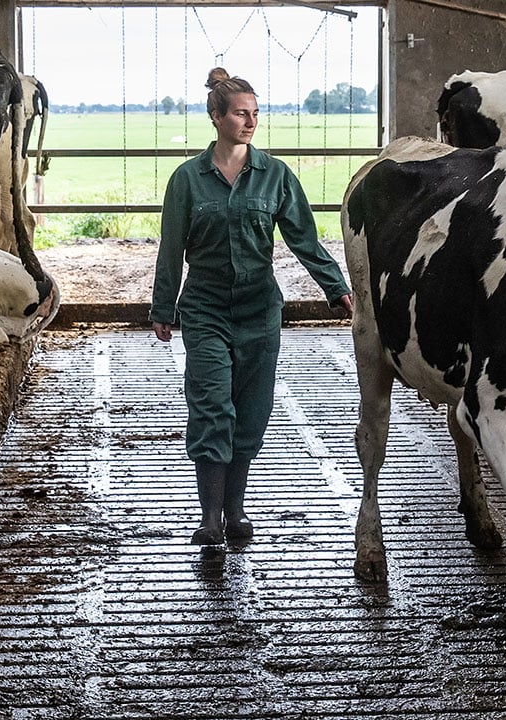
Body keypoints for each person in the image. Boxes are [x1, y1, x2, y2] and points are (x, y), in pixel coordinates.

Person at [150, 67, 354, 545]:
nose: (250, 121)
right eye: (241, 113)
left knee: (251, 412)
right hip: (204, 309)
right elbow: (170, 246)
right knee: (211, 408)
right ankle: (209, 519)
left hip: (261, 311)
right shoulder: (187, 179)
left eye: (255, 113)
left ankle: (236, 512)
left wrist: (335, 287)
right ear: (216, 116)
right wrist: (163, 308)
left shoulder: (275, 175)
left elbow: (305, 238)